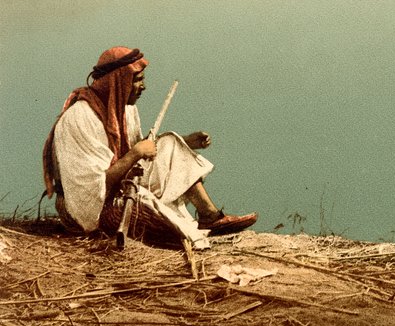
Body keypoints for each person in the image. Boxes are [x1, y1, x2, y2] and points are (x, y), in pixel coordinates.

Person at [42, 46, 256, 248]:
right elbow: (90, 189)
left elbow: (141, 151)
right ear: (118, 82)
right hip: (86, 209)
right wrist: (136, 153)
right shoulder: (79, 118)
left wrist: (185, 141)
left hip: (118, 188)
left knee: (170, 141)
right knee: (153, 214)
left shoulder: (126, 109)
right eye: (138, 80)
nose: (144, 86)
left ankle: (210, 217)